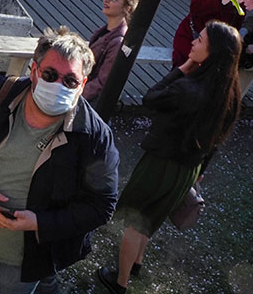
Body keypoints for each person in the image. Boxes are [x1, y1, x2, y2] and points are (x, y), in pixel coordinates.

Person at [0, 26, 120, 294]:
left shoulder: (94, 137)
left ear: (82, 85)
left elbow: (102, 205)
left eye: (70, 81)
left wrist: (38, 222)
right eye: (49, 74)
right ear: (34, 71)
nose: (58, 85)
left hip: (27, 260)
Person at [97, 21, 242, 294]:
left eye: (200, 41)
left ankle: (120, 281)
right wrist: (200, 172)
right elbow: (216, 141)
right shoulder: (229, 94)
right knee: (153, 218)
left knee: (135, 222)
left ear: (213, 53)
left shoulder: (189, 89)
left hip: (160, 164)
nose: (193, 43)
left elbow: (150, 98)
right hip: (188, 168)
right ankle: (137, 263)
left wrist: (182, 69)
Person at [83, 0, 141, 103]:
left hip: (87, 102)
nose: (106, 0)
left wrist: (74, 97)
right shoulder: (104, 32)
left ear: (127, 8)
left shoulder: (118, 42)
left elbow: (101, 82)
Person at [171, 0, 244, 68]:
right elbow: (195, 7)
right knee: (183, 67)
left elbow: (238, 20)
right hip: (192, 36)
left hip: (219, 44)